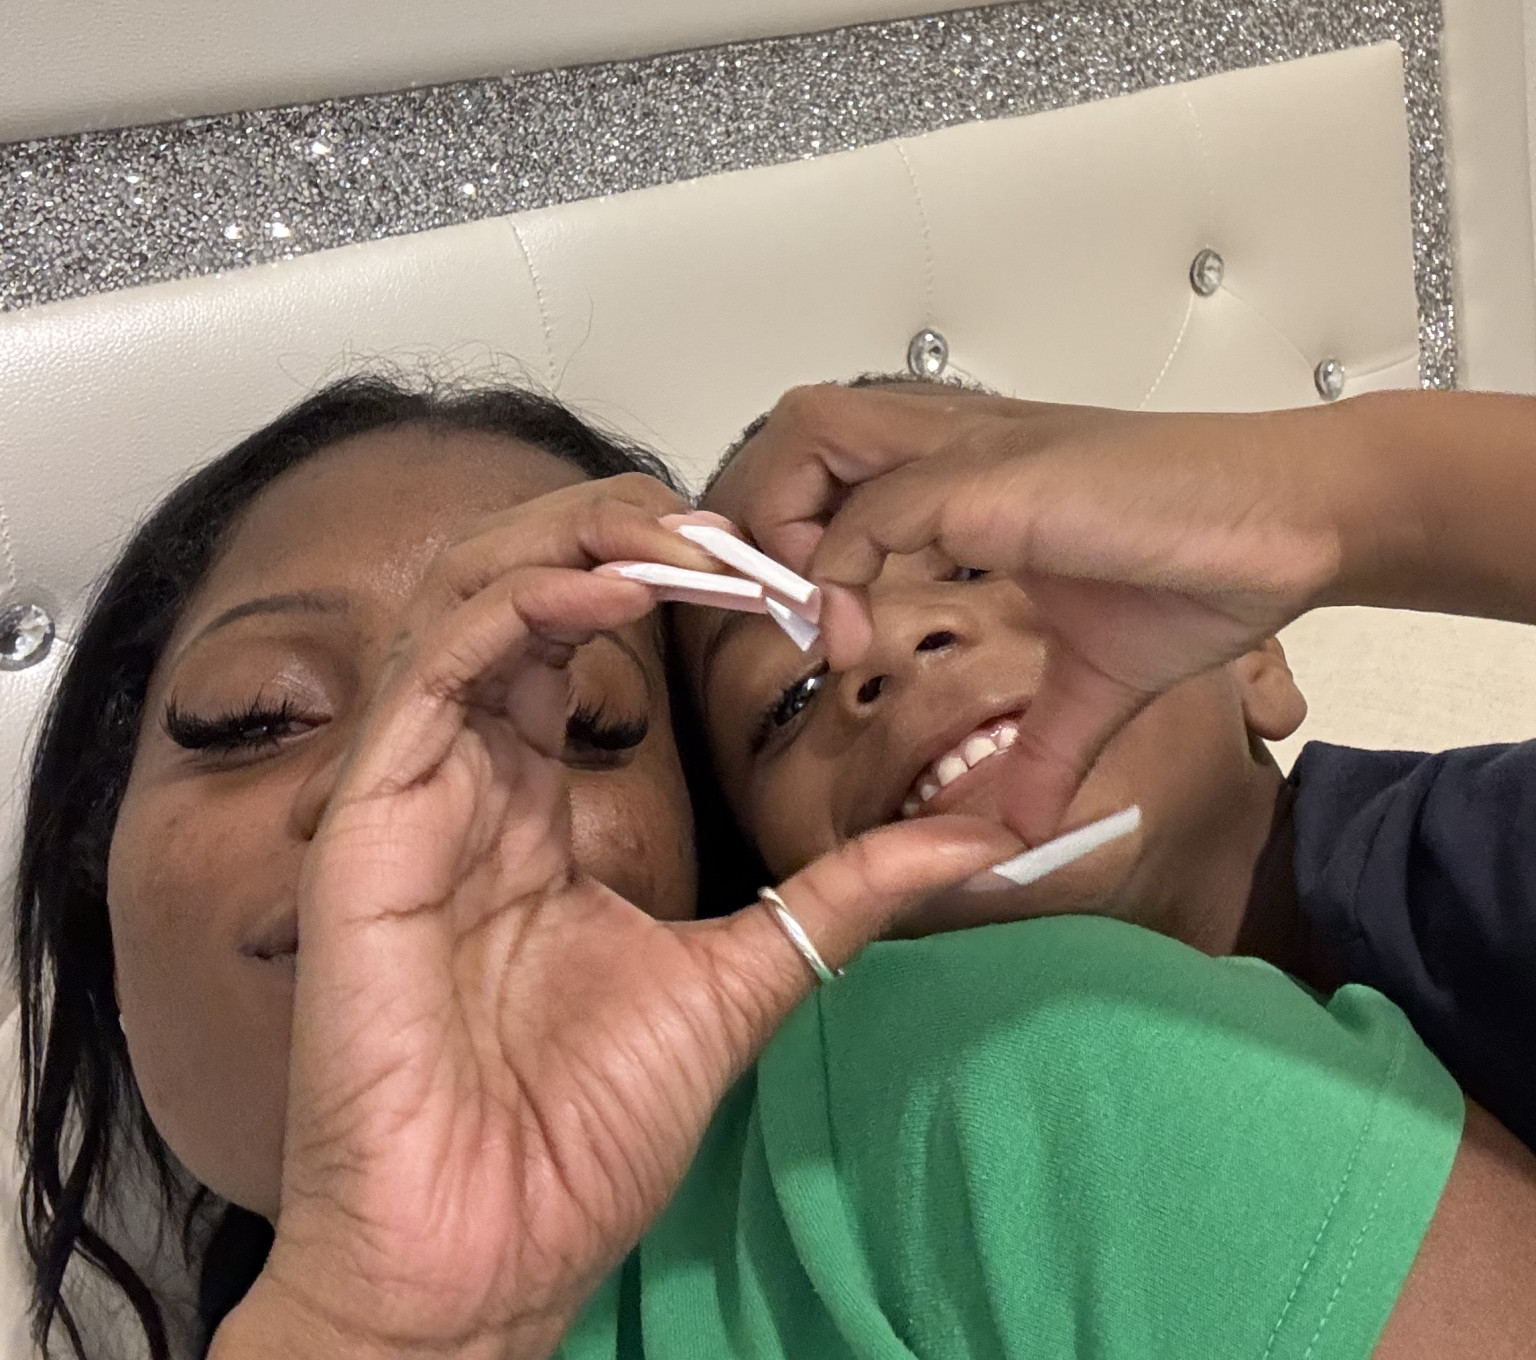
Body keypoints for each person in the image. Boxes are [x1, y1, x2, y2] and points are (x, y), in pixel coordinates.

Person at [12, 372, 1536, 1360]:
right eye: (259, 716)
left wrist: (1353, 490)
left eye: (586, 722)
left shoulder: (1017, 1078)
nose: (397, 805)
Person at [703, 378, 1536, 1149]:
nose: (886, 640)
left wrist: (1337, 506)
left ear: (1253, 658)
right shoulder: (896, 1169)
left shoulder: (1482, 858)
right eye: (791, 695)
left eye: (972, 564)